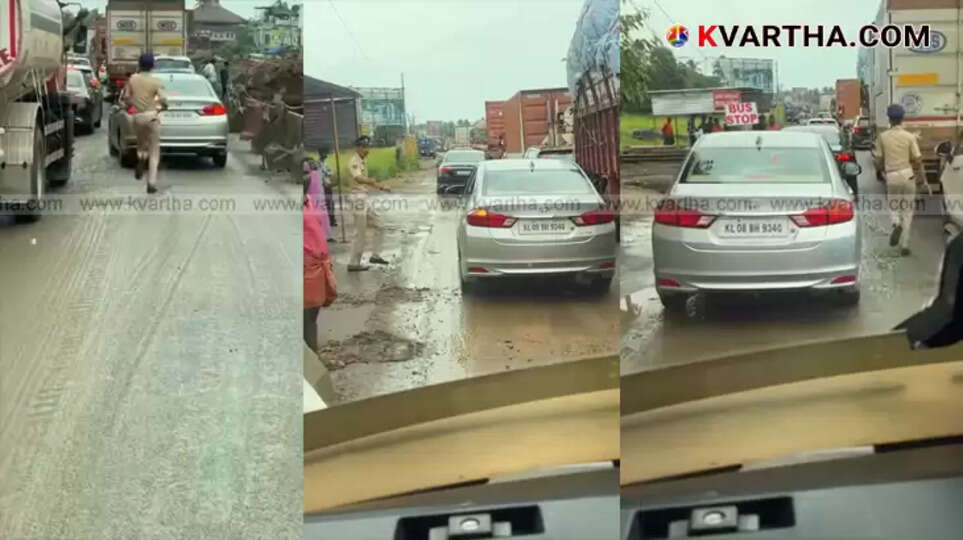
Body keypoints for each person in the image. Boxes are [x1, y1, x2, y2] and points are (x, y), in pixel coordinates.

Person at [874, 103, 926, 256]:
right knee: (908, 211)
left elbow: (878, 160)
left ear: (889, 119)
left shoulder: (882, 137)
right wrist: (921, 176)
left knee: (893, 205)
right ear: (902, 119)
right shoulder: (910, 137)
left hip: (892, 175)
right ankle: (905, 245)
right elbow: (917, 159)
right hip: (908, 174)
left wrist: (882, 171)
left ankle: (896, 223)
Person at [122, 54, 167, 193]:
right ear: (152, 65)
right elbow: (163, 98)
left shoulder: (132, 79)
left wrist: (133, 104)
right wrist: (164, 106)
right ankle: (151, 183)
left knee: (141, 146)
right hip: (152, 117)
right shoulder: (155, 81)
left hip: (138, 117)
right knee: (154, 151)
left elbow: (126, 97)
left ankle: (141, 158)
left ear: (139, 64)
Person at [348, 136, 392, 272]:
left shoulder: (363, 161)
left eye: (368, 147)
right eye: (365, 147)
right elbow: (359, 178)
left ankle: (375, 255)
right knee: (360, 232)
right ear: (358, 148)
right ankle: (354, 263)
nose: (368, 150)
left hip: (364, 197)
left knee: (379, 224)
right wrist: (375, 183)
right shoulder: (354, 161)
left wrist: (380, 186)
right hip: (357, 198)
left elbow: (366, 181)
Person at [303, 169, 335, 354]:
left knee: (313, 314)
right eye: (303, 171)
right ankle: (311, 360)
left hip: (318, 264)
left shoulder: (309, 198)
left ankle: (313, 357)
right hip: (305, 266)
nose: (308, 175)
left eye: (309, 171)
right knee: (306, 316)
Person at [317, 146, 337, 228]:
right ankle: (325, 221)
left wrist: (328, 173)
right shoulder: (317, 164)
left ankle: (332, 220)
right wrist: (327, 173)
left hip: (328, 185)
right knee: (323, 204)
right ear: (320, 154)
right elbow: (319, 175)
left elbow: (331, 172)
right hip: (322, 186)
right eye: (323, 153)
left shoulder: (325, 164)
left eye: (325, 154)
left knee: (330, 203)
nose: (325, 155)